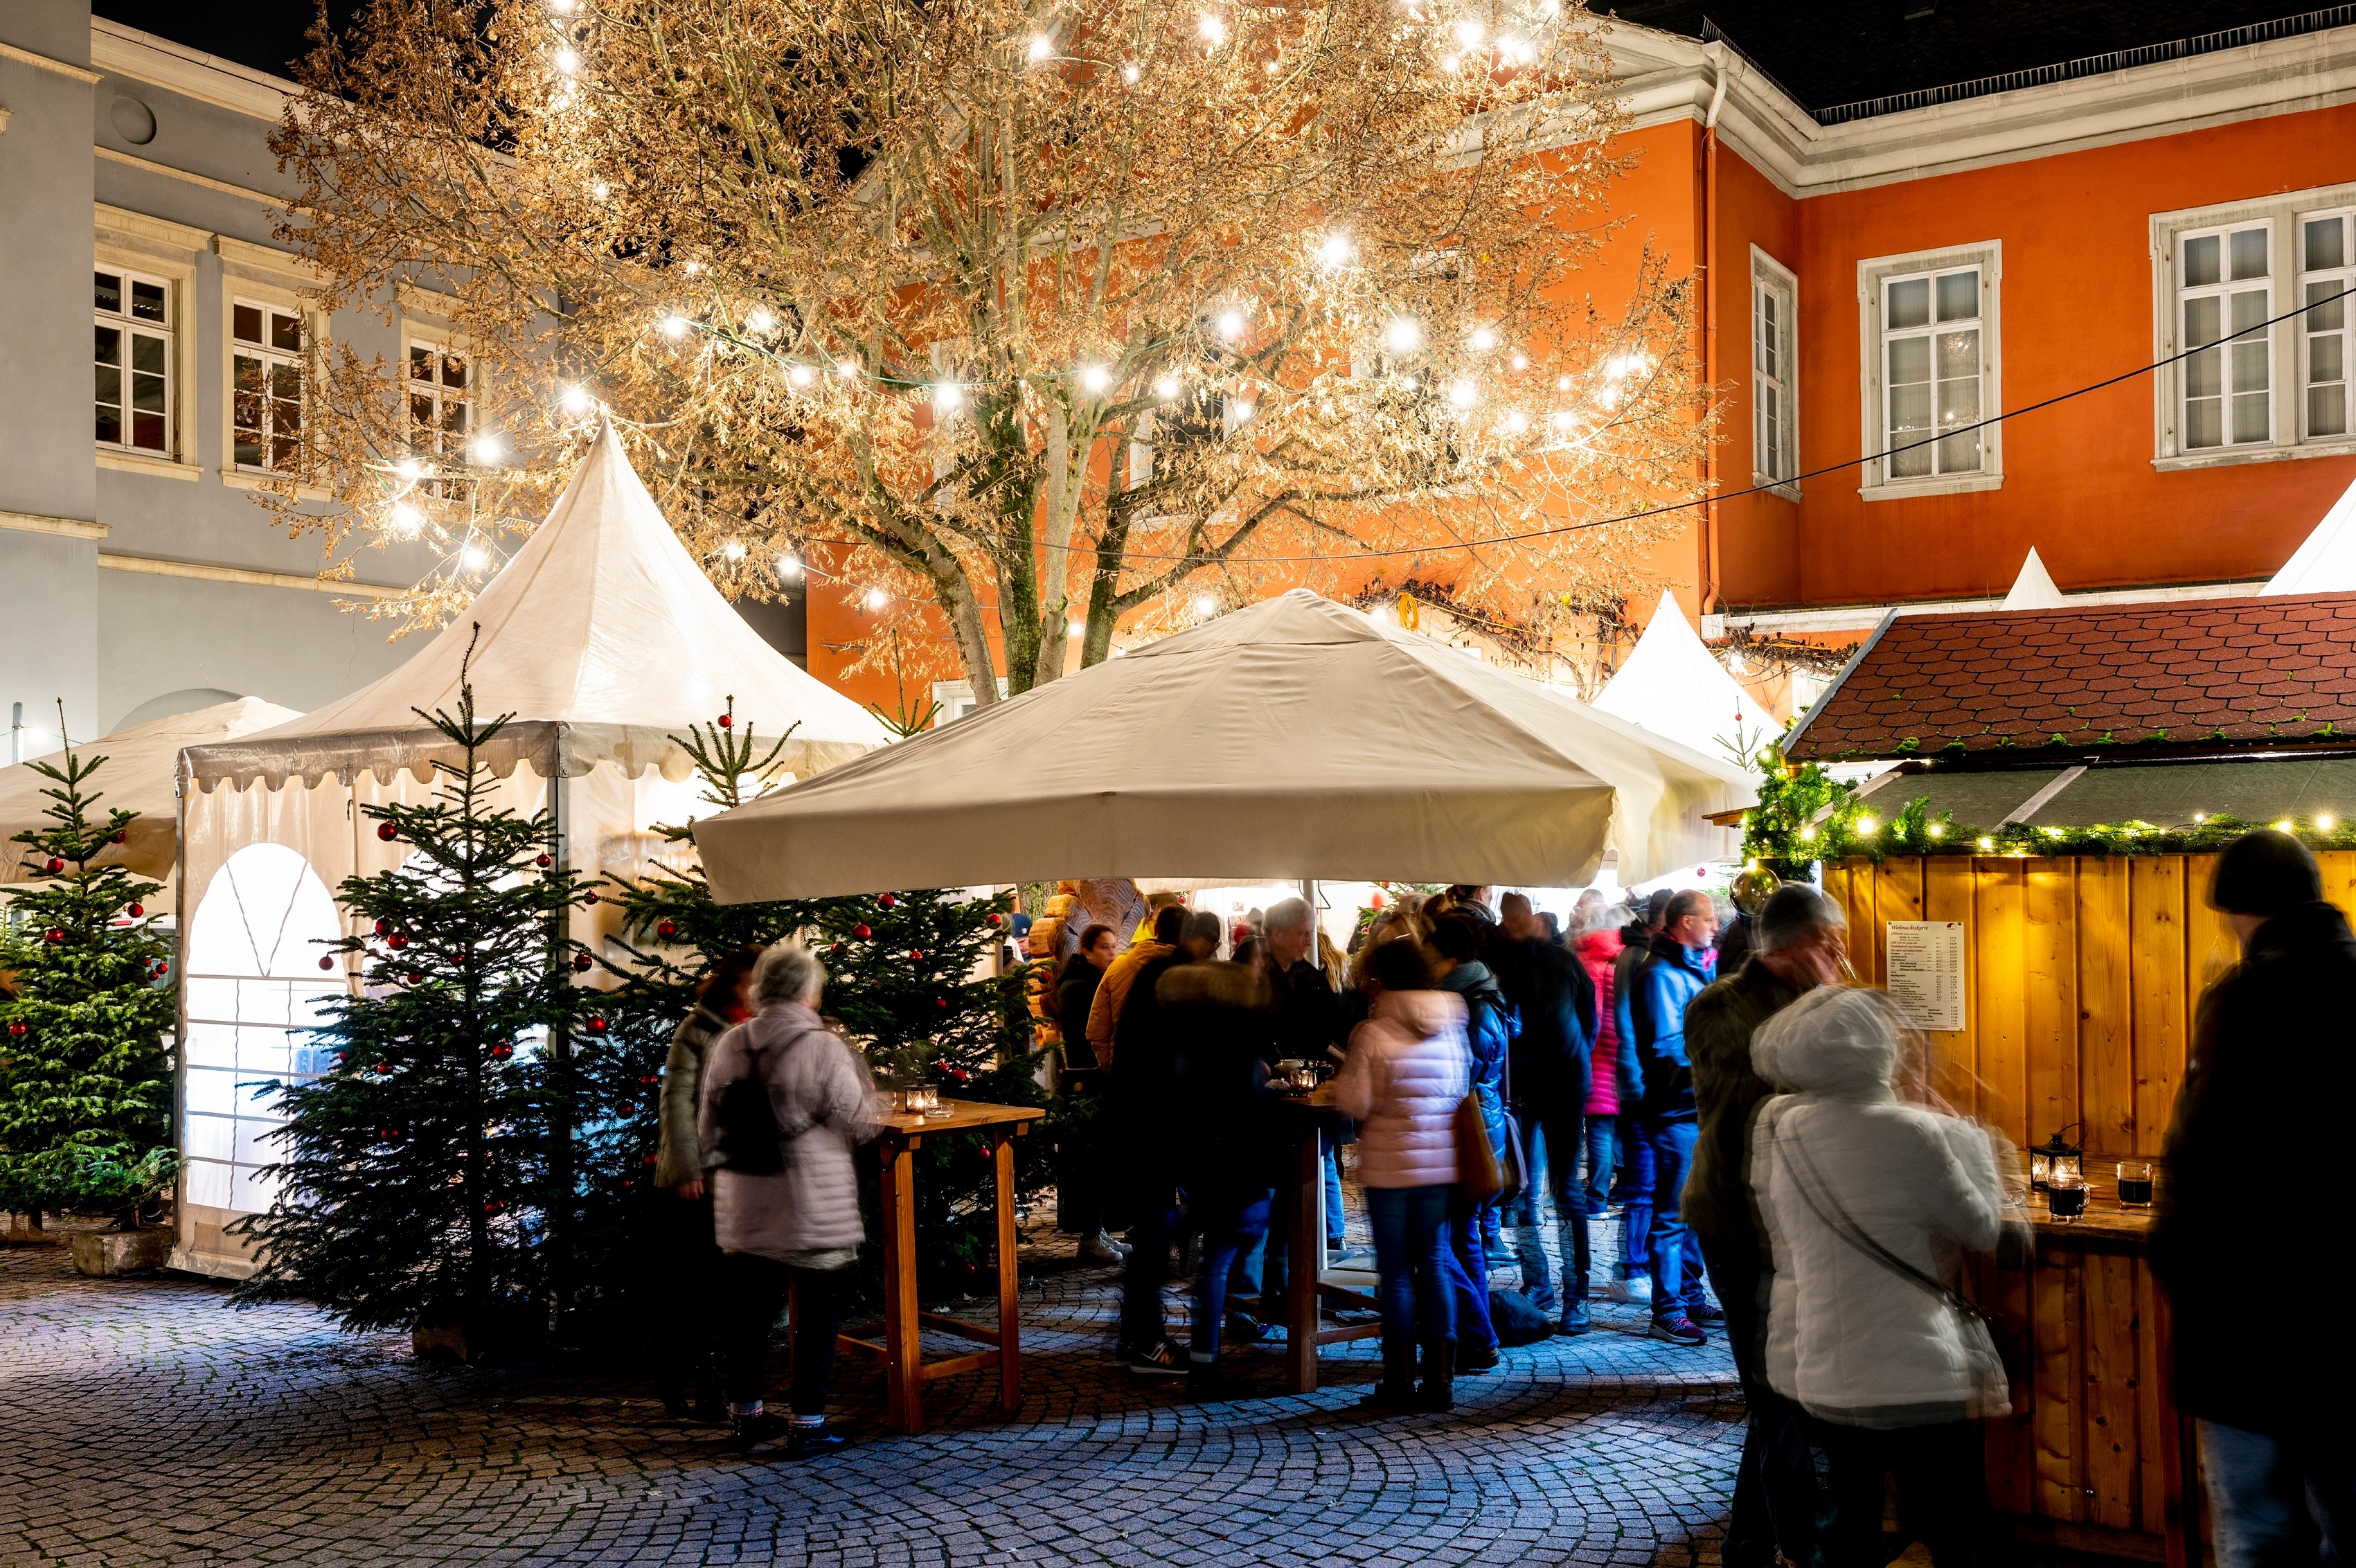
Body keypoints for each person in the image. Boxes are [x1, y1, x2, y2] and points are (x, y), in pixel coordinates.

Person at [1750, 985, 2010, 1568]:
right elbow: (1983, 1228)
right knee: (1955, 1524)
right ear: (1878, 1052)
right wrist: (1973, 1143)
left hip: (1821, 1365)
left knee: (1846, 1520)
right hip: (1911, 1369)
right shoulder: (1911, 1132)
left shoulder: (1778, 1125)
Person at [2153, 830, 2356, 1568]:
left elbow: (2199, 1157)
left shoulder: (2244, 1001)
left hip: (2242, 1317)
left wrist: (2174, 1262)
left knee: (2262, 1530)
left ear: (2239, 909)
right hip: (2347, 1321)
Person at [1683, 884, 1848, 1568]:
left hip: (1796, 1224)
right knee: (1779, 1395)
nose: (1841, 957)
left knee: (1779, 1392)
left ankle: (1746, 1542)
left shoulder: (1820, 1003)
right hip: (1737, 1224)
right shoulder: (1718, 1005)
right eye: (1828, 944)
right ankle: (1805, 1550)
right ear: (1788, 946)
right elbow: (1765, 1084)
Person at [697, 940, 883, 1457]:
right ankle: (808, 1423)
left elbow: (707, 1129)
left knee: (748, 1319)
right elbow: (860, 1123)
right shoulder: (823, 1047)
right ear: (807, 990)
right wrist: (874, 1098)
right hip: (809, 1208)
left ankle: (747, 1419)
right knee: (819, 1315)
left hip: (743, 1207)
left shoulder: (730, 1044)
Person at [1335, 936, 1471, 1411]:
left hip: (1391, 1168)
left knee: (1394, 1273)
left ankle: (1398, 1383)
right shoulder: (1453, 1019)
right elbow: (1459, 1088)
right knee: (1434, 1264)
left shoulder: (1372, 1032)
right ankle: (1440, 1384)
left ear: (1383, 980)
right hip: (1440, 1164)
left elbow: (1356, 1104)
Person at [1160, 933, 1281, 1400]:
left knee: (1215, 1262)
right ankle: (1207, 1366)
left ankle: (1205, 1362)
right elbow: (1247, 1103)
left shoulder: (1184, 1032)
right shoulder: (1234, 1036)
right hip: (1233, 1162)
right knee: (1231, 1247)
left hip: (1201, 1162)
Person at [651, 943, 764, 1422]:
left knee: (733, 1287)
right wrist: (686, 1169)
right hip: (703, 1175)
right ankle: (697, 1378)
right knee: (703, 1285)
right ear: (730, 984)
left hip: (746, 1174)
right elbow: (676, 1102)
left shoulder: (762, 1028)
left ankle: (689, 1372)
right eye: (748, 982)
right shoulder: (697, 1031)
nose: (755, 990)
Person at [1110, 909, 1219, 1375]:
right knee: (1154, 1235)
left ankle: (1136, 1335)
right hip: (1152, 1125)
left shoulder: (1151, 973)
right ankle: (1146, 1342)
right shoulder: (1172, 979)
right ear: (1204, 943)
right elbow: (1173, 1060)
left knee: (1151, 1236)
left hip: (1142, 1122)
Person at [1491, 891, 1601, 1332]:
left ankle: (1561, 1290)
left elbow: (1584, 1020)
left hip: (1542, 1088)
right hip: (1555, 1086)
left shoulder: (1515, 964)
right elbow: (1588, 1022)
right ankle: (1558, 1291)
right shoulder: (1556, 962)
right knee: (1544, 1190)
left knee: (1542, 1191)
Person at [1621, 888, 1717, 1344]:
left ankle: (1690, 1295)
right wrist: (1718, 1061)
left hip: (1695, 1106)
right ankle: (1667, 1309)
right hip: (1675, 1109)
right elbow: (1666, 1049)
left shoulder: (1692, 967)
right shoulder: (1660, 975)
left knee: (1694, 1208)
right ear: (1686, 923)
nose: (1716, 925)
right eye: (1709, 918)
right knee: (1673, 1212)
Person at [1431, 917, 1509, 1371]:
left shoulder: (1473, 1004)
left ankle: (1479, 1339)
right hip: (1479, 1126)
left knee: (1455, 1239)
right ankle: (1472, 1336)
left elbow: (1465, 1078)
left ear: (1451, 957)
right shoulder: (1478, 993)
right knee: (1465, 1239)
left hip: (1472, 1130)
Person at [1262, 897, 1349, 1265]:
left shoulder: (1310, 977)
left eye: (1308, 934)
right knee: (1275, 1185)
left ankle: (1316, 1250)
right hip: (1266, 1099)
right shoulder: (1251, 971)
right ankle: (1274, 1272)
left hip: (1306, 1090)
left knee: (1319, 1161)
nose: (1305, 942)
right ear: (1276, 934)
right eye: (1300, 934)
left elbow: (1328, 1027)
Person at [1607, 889, 1674, 1302]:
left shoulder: (1647, 955)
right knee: (1642, 1183)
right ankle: (1631, 1269)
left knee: (1650, 1183)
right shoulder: (1637, 958)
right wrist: (1633, 1079)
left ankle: (1638, 1266)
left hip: (1652, 1086)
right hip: (1642, 1089)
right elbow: (1625, 1024)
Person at [1055, 923, 1129, 1267]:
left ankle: (1096, 1230)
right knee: (1092, 1161)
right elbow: (1087, 1037)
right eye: (1105, 948)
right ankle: (1089, 1235)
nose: (1112, 954)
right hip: (1088, 1084)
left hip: (1094, 1081)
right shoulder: (1079, 987)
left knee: (1103, 1161)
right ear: (1086, 950)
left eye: (1115, 947)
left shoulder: (1092, 982)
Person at [1571, 918, 1639, 1222]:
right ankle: (1618, 1192)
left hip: (1595, 1055)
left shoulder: (1585, 961)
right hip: (1620, 1053)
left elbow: (1589, 1018)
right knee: (1616, 1128)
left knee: (1599, 1128)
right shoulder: (1623, 959)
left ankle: (1597, 1200)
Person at [1088, 902, 1186, 1065]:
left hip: (1127, 1072)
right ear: (1187, 935)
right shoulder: (1191, 974)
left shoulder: (1117, 968)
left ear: (1156, 930)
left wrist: (1112, 1068)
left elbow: (1096, 1031)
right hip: (1174, 1075)